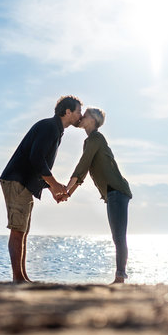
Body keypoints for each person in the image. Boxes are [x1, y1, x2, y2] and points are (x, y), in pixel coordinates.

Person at [0, 95, 82, 283]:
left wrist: (51, 187)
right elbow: (36, 158)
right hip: (17, 180)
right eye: (78, 111)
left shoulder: (55, 129)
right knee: (18, 230)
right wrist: (54, 184)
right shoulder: (50, 127)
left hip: (24, 183)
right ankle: (18, 279)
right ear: (67, 112)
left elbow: (38, 164)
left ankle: (22, 277)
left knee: (23, 231)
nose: (80, 115)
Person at [66, 107, 132, 284]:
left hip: (117, 191)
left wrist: (66, 190)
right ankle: (120, 277)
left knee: (119, 236)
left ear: (93, 120)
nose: (81, 117)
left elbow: (82, 165)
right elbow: (85, 171)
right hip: (112, 193)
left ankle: (120, 278)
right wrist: (69, 193)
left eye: (84, 115)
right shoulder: (90, 141)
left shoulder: (96, 138)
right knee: (117, 236)